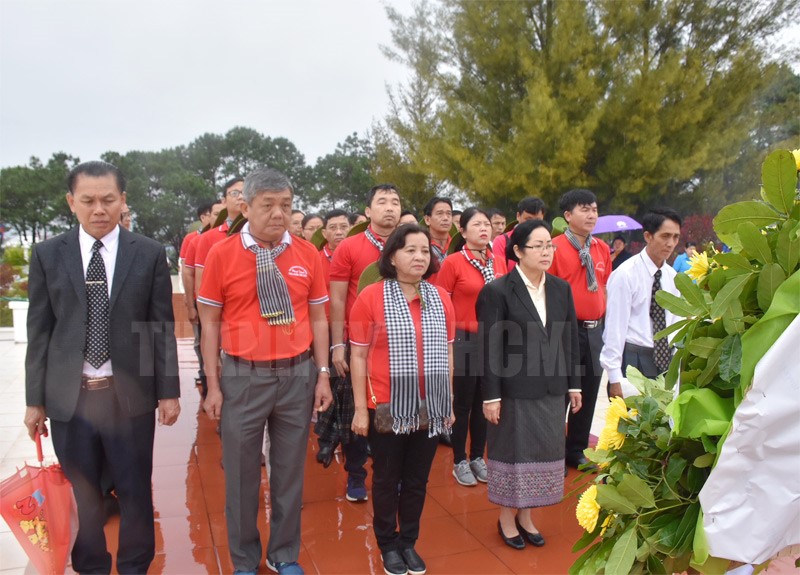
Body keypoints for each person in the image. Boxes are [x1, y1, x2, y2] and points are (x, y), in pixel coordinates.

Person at [24, 160, 180, 574]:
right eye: (88, 200)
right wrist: (34, 401)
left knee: (133, 491)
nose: (99, 209)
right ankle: (91, 566)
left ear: (122, 200)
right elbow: (39, 331)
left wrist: (168, 391)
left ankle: (134, 566)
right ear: (71, 202)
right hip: (68, 399)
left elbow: (159, 327)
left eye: (108, 200)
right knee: (83, 494)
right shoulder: (47, 254)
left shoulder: (146, 253)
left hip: (127, 397)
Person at [198, 167, 333, 575]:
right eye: (268, 205)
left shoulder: (307, 254)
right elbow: (210, 324)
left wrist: (323, 373)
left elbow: (320, 319)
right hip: (243, 377)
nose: (279, 213)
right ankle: (243, 560)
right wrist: (213, 385)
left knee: (290, 472)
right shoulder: (221, 254)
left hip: (296, 376)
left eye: (286, 206)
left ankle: (283, 555)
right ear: (246, 207)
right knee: (240, 476)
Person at [349, 224, 455, 575]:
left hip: (431, 405)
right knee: (385, 478)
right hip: (386, 406)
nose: (420, 257)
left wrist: (449, 403)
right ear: (392, 256)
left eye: (425, 250)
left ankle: (408, 541)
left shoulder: (440, 298)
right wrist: (360, 410)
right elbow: (359, 357)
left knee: (416, 480)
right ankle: (387, 543)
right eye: (410, 250)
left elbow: (449, 353)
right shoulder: (371, 297)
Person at [477, 219, 581, 550]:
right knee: (514, 454)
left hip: (551, 389)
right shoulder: (497, 291)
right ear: (518, 251)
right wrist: (491, 396)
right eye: (538, 246)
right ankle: (507, 519)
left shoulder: (561, 288)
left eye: (549, 245)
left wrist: (574, 385)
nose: (546, 251)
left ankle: (527, 516)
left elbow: (570, 339)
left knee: (543, 453)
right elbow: (490, 347)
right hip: (513, 391)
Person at [329, 184, 401, 502]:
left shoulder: (410, 244)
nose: (390, 207)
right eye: (381, 202)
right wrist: (337, 345)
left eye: (395, 202)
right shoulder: (350, 247)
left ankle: (390, 473)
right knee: (357, 414)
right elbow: (337, 299)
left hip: (399, 345)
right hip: (358, 344)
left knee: (397, 412)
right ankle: (356, 473)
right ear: (368, 211)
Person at [435, 208, 507, 487]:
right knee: (463, 403)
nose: (484, 228)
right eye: (476, 224)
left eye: (487, 224)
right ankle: (459, 460)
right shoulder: (453, 262)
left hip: (494, 339)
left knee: (485, 401)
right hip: (463, 338)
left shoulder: (499, 262)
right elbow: (441, 302)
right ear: (462, 232)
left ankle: (478, 456)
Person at [548, 189, 611, 472]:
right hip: (564, 330)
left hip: (594, 330)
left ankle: (577, 449)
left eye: (595, 209)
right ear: (567, 215)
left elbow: (605, 286)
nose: (591, 214)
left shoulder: (601, 248)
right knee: (561, 391)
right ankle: (551, 453)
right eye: (584, 209)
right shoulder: (554, 247)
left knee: (588, 390)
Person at [601, 209, 683, 399]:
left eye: (675, 237)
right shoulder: (625, 274)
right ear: (648, 236)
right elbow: (614, 328)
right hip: (633, 361)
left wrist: (676, 369)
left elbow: (676, 325)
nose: (671, 243)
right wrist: (615, 377)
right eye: (665, 236)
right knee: (633, 424)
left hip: (665, 362)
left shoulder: (673, 278)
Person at [314, 208, 353, 466]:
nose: (339, 232)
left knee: (347, 389)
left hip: (351, 332)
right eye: (334, 227)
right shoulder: (315, 258)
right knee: (328, 385)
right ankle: (326, 440)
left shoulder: (355, 255)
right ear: (325, 232)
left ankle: (348, 437)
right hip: (323, 332)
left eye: (344, 226)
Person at [181, 200, 224, 388]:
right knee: (204, 341)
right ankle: (206, 377)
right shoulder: (195, 240)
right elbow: (187, 272)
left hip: (228, 306)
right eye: (215, 214)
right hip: (205, 304)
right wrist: (191, 304)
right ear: (204, 217)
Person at [190, 177, 245, 294]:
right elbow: (201, 283)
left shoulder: (263, 234)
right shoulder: (207, 238)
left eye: (245, 193)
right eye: (234, 193)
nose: (240, 197)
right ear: (223, 201)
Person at [491, 197, 546, 271]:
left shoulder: (546, 242)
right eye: (528, 219)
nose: (533, 224)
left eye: (538, 220)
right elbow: (499, 274)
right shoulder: (502, 241)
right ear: (518, 216)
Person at [423, 196, 453, 264]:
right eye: (440, 213)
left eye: (449, 214)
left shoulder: (458, 246)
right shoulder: (421, 244)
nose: (445, 218)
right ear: (427, 219)